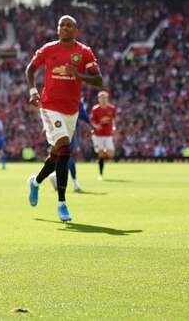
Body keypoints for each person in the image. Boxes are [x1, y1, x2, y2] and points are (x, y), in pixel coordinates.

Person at [25, 15, 103, 222]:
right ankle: (62, 203)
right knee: (65, 150)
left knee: (56, 156)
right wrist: (33, 92)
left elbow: (98, 79)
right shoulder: (48, 49)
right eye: (62, 25)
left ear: (76, 30)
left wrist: (79, 75)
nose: (65, 28)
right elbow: (30, 70)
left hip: (72, 110)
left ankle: (36, 182)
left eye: (69, 25)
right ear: (57, 29)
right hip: (50, 106)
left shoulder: (84, 52)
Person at [49, 98, 93, 192]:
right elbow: (82, 113)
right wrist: (91, 124)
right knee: (70, 154)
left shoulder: (59, 94)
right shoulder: (74, 94)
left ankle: (69, 180)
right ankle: (67, 179)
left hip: (58, 127)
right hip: (71, 128)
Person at [90, 91, 117, 180]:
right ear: (98, 99)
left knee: (111, 155)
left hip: (108, 135)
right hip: (97, 135)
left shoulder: (111, 108)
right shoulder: (95, 109)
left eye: (105, 97)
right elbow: (92, 121)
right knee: (101, 154)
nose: (103, 99)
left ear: (107, 98)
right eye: (101, 98)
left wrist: (113, 126)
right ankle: (100, 174)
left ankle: (103, 150)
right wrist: (96, 126)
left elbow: (113, 119)